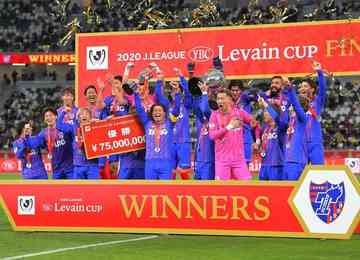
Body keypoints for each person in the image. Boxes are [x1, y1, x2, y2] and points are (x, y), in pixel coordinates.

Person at [209, 89, 258, 180]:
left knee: (247, 187)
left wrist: (256, 140)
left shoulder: (239, 112)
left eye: (222, 98)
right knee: (222, 190)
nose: (220, 101)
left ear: (229, 99)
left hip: (239, 160)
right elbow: (212, 136)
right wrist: (229, 127)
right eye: (218, 99)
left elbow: (255, 124)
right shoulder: (214, 115)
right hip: (222, 161)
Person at [134, 84, 180, 180]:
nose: (157, 112)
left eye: (160, 110)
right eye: (154, 111)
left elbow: (176, 111)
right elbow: (139, 109)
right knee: (150, 190)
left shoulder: (170, 123)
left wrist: (177, 94)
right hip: (150, 162)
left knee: (166, 190)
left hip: (166, 162)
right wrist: (136, 94)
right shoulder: (147, 123)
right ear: (151, 114)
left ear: (164, 113)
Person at [25, 108, 74, 179]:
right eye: (46, 116)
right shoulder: (43, 133)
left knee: (73, 189)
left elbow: (72, 131)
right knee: (57, 190)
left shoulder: (64, 127)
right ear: (44, 119)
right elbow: (33, 144)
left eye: (50, 115)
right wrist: (27, 135)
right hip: (56, 170)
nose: (48, 118)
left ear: (56, 117)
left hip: (70, 168)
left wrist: (63, 115)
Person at [57, 107, 100, 179]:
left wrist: (101, 123)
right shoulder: (73, 128)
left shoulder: (95, 127)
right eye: (81, 114)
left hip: (93, 165)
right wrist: (63, 112)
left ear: (90, 117)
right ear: (78, 118)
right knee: (78, 189)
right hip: (78, 166)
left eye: (86, 114)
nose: (84, 115)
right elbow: (59, 125)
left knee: (94, 189)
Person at [298, 61, 326, 165]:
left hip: (315, 143)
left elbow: (323, 89)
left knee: (318, 173)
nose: (302, 88)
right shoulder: (296, 105)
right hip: (300, 143)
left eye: (305, 86)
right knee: (300, 175)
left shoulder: (317, 102)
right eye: (301, 86)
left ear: (312, 89)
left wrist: (319, 72)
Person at [282, 78, 309, 180]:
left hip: (296, 161)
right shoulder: (291, 119)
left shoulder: (303, 118)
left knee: (293, 191)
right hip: (287, 159)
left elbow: (297, 106)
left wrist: (290, 87)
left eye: (293, 104)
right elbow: (286, 103)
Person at [229, 80, 261, 166]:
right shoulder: (228, 102)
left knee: (244, 166)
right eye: (232, 90)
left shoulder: (244, 97)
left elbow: (258, 95)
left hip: (245, 138)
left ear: (241, 91)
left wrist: (249, 88)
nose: (235, 92)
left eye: (237, 90)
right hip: (232, 138)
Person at [257, 97, 287, 180]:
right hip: (264, 165)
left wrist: (266, 105)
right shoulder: (265, 128)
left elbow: (278, 119)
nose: (264, 114)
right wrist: (258, 147)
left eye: (266, 111)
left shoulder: (281, 128)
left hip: (276, 165)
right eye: (264, 111)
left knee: (276, 192)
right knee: (262, 192)